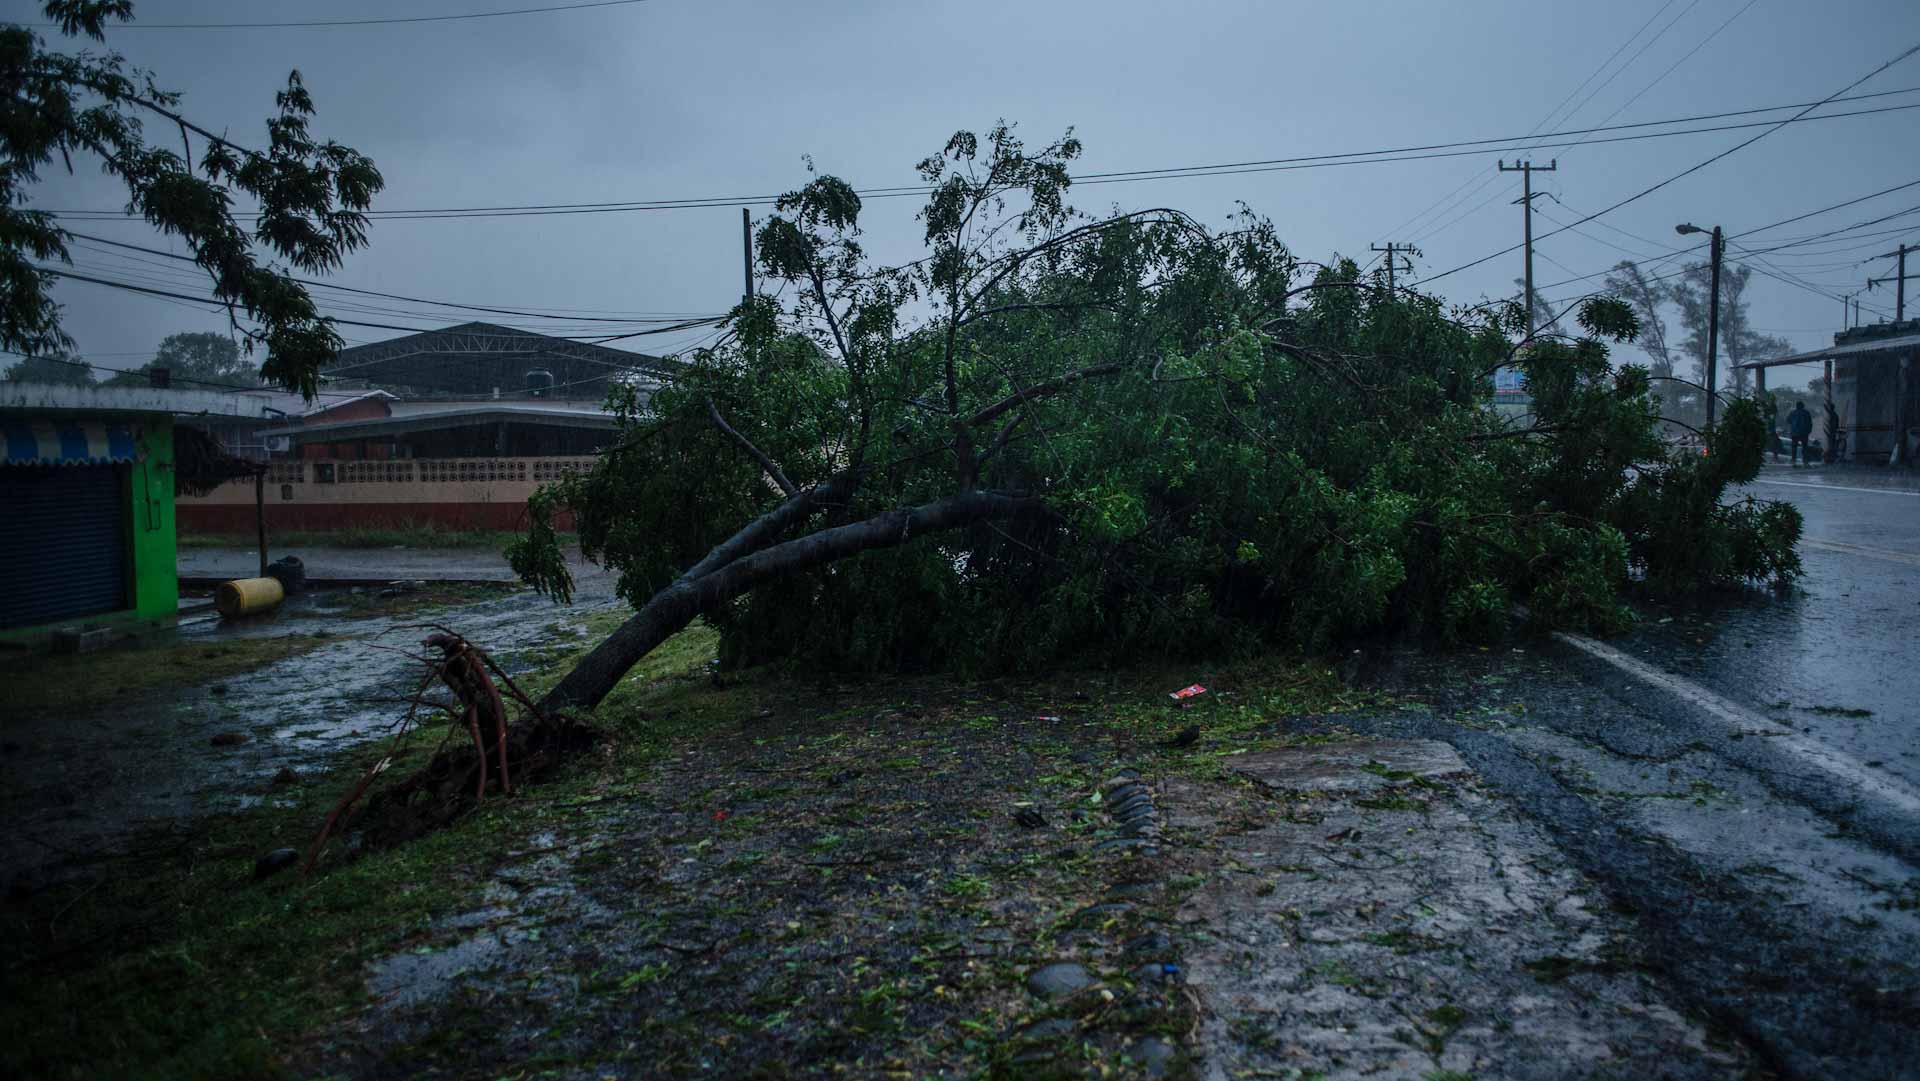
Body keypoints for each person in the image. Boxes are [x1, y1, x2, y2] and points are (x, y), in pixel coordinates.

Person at [1788, 401, 1814, 465]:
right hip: (1804, 433)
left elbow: (1788, 420)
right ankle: (1805, 460)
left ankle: (1793, 460)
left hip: (1795, 433)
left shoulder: (1793, 413)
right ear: (1803, 406)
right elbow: (1810, 423)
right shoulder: (1806, 413)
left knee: (1794, 447)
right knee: (1804, 447)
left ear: (1796, 406)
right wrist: (1809, 430)